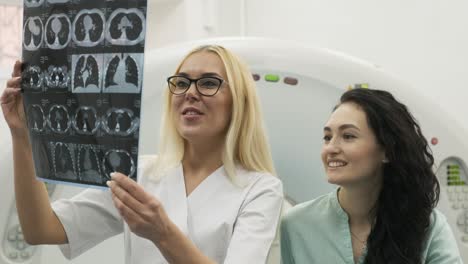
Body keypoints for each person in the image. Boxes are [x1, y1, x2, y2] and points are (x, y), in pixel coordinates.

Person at [1, 45, 283, 263]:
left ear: (239, 102)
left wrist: (162, 233)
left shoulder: (260, 189)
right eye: (181, 83)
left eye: (208, 83)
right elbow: (41, 229)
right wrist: (23, 136)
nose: (190, 93)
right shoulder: (139, 173)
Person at [280, 89, 463, 264]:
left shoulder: (427, 226)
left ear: (386, 151)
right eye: (328, 137)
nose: (331, 148)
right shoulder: (295, 225)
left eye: (348, 136)